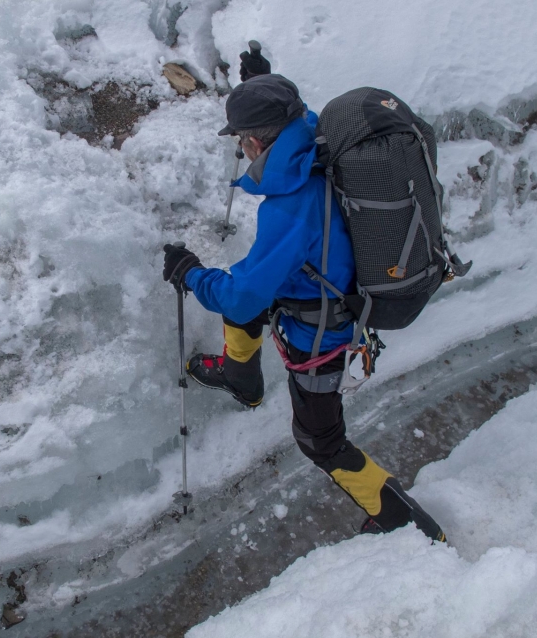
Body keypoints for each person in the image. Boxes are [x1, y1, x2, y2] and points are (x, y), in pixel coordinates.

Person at [161, 69, 446, 541]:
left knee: (320, 441)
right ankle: (241, 377)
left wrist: (189, 273)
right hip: (328, 289)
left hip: (324, 338)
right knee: (252, 284)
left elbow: (241, 295)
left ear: (253, 142)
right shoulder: (319, 149)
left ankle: (408, 522)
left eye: (241, 140)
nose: (240, 150)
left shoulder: (290, 207)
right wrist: (259, 87)